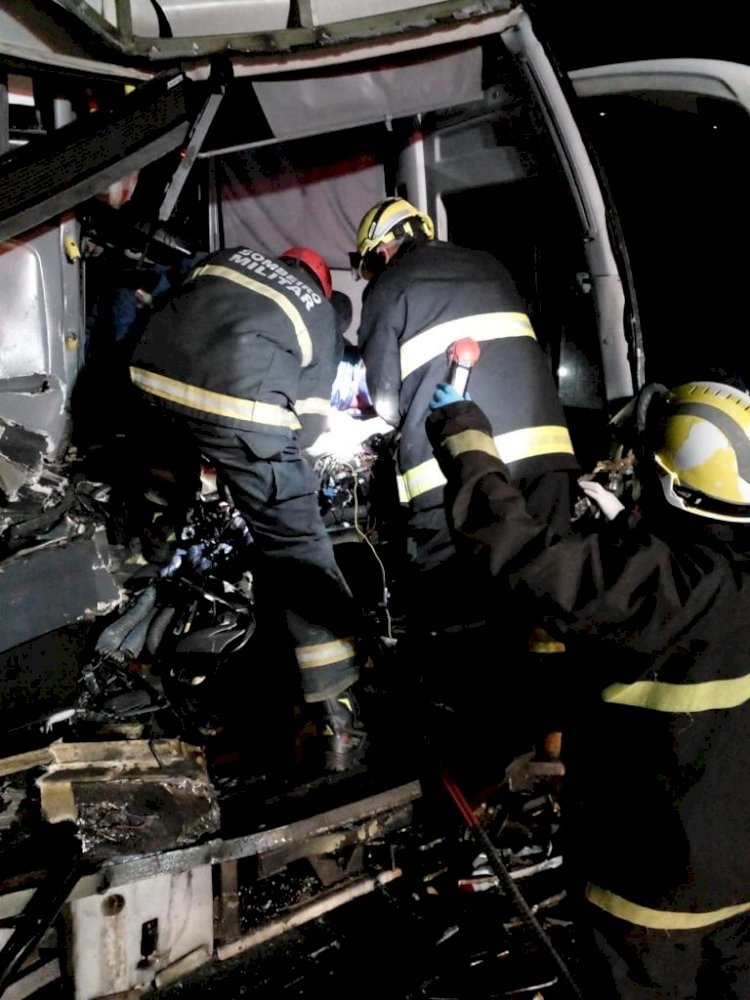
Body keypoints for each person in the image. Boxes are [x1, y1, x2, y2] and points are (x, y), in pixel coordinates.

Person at [426, 377, 750, 998]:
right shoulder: (700, 583)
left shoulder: (655, 589)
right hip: (738, 878)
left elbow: (518, 549)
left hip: (646, 888)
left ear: (673, 486)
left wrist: (462, 435)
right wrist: (631, 529)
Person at [128, 244, 368, 772]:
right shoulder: (320, 312)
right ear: (324, 286)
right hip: (240, 408)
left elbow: (156, 302)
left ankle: (124, 635)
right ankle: (339, 722)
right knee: (300, 547)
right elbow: (304, 428)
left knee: (157, 510)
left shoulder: (229, 257)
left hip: (146, 382)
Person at [351, 196, 580, 632]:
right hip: (548, 457)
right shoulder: (489, 263)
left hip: (456, 467)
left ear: (382, 251)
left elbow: (383, 401)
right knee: (549, 593)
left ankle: (458, 693)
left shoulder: (388, 285)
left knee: (457, 607)